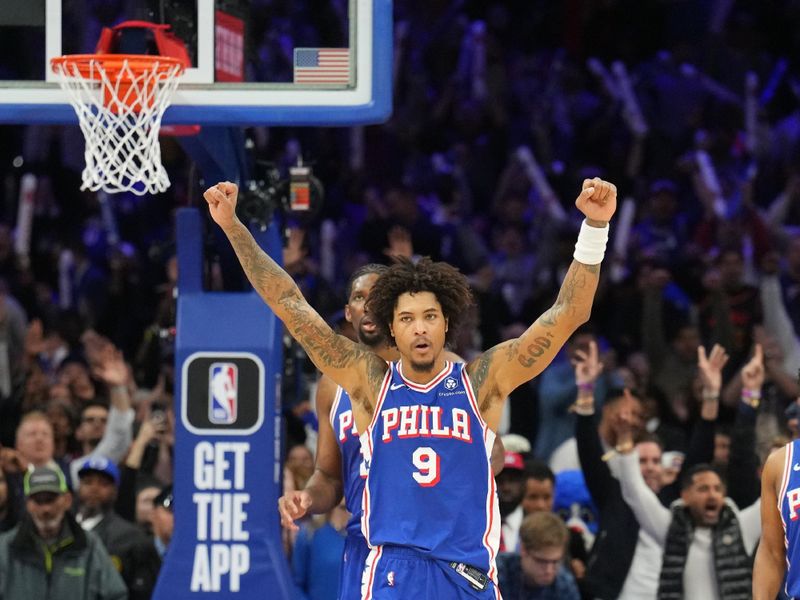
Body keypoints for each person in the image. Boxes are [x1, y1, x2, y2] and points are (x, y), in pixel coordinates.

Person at [206, 177, 616, 598]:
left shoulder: (481, 381)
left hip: (467, 574)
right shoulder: (368, 383)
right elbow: (289, 304)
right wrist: (234, 227)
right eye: (406, 319)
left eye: (429, 316)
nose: (419, 328)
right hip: (392, 574)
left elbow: (568, 313)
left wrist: (595, 229)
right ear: (391, 329)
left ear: (447, 323)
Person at [279, 263, 504, 599]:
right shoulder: (333, 387)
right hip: (364, 545)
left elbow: (492, 454)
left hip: (436, 547)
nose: (368, 305)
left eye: (377, 296)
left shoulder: (448, 369)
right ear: (347, 312)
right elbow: (328, 476)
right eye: (359, 297)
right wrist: (308, 499)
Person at [0, 465, 127, 599]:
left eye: (51, 499)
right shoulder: (5, 547)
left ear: (67, 500)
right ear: (27, 504)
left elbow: (116, 595)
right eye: (38, 500)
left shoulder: (89, 545)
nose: (45, 509)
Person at [74, 455, 161, 600]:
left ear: (115, 491)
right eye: (88, 482)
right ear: (78, 487)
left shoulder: (132, 537)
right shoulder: (61, 528)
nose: (94, 489)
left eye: (103, 483)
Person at [495, 512, 580, 600]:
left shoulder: (564, 585)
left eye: (555, 562)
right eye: (541, 561)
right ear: (523, 549)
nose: (549, 570)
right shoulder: (495, 572)